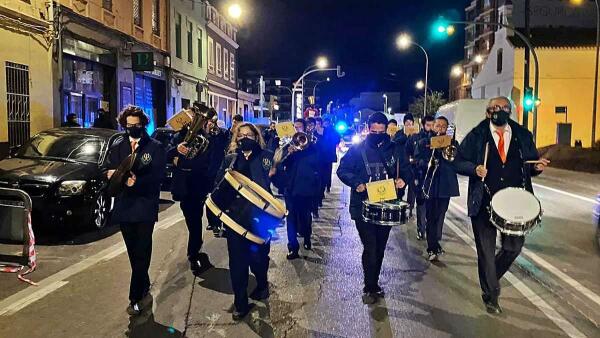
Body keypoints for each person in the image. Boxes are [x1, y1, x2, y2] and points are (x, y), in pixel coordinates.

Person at [453, 96, 549, 314]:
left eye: (505, 107)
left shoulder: (523, 135)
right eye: (496, 108)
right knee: (486, 253)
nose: (500, 111)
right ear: (488, 112)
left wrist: (538, 167)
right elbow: (458, 161)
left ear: (510, 111)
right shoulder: (478, 135)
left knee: (513, 248)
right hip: (484, 201)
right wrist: (474, 169)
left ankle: (490, 277)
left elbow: (532, 162)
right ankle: (491, 296)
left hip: (516, 203)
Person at [337, 112, 410, 304]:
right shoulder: (357, 149)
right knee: (370, 246)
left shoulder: (396, 149)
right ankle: (370, 285)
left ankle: (374, 279)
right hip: (363, 205)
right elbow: (342, 170)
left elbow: (407, 171)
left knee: (380, 247)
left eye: (381, 130)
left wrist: (403, 179)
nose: (377, 133)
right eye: (373, 130)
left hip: (386, 205)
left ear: (387, 129)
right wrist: (356, 183)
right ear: (368, 129)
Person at [106, 105, 166, 316]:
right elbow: (111, 167)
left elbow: (158, 176)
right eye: (129, 125)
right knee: (133, 251)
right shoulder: (118, 145)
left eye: (137, 125)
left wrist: (137, 182)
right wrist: (112, 175)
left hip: (144, 206)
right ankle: (144, 280)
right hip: (124, 206)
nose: (133, 128)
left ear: (143, 125)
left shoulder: (155, 147)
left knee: (142, 250)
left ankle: (135, 296)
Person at [216, 122, 275, 321]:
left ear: (256, 136)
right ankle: (240, 303)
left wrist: (280, 170)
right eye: (240, 136)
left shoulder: (267, 157)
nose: (244, 138)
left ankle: (262, 284)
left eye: (248, 135)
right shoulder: (230, 159)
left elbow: (281, 182)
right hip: (236, 219)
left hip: (261, 219)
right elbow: (218, 185)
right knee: (237, 263)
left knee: (259, 259)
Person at [169, 104, 227, 276]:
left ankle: (194, 253)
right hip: (184, 186)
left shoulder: (208, 138)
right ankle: (194, 252)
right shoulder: (179, 136)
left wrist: (182, 162)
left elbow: (210, 160)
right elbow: (166, 154)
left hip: (199, 185)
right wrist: (176, 150)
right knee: (193, 222)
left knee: (195, 221)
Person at [272, 118, 321, 259]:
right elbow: (278, 162)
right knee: (291, 218)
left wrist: (306, 148)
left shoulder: (312, 144)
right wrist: (288, 152)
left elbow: (318, 162)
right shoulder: (287, 144)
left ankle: (307, 236)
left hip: (307, 187)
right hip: (291, 187)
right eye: (295, 127)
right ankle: (292, 246)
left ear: (305, 129)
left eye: (300, 127)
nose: (297, 129)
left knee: (305, 216)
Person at [413, 116, 459, 261]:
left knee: (440, 215)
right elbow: (416, 159)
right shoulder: (424, 142)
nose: (440, 129)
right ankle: (432, 247)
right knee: (431, 217)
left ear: (447, 128)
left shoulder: (452, 143)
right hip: (430, 184)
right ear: (432, 127)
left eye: (443, 126)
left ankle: (435, 243)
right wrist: (427, 161)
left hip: (445, 185)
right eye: (437, 126)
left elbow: (456, 160)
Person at [408, 115, 435, 240]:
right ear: (423, 125)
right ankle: (421, 229)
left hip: (433, 176)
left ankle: (431, 230)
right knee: (421, 202)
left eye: (432, 125)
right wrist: (415, 162)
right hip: (420, 174)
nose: (430, 127)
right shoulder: (416, 138)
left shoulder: (437, 138)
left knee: (433, 205)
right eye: (428, 125)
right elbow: (408, 153)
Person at [392, 114, 416, 215]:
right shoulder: (400, 134)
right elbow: (396, 142)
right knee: (400, 188)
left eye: (410, 124)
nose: (409, 126)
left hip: (413, 166)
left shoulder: (416, 135)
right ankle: (399, 205)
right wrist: (406, 137)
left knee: (412, 189)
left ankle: (409, 208)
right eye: (407, 124)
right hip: (402, 165)